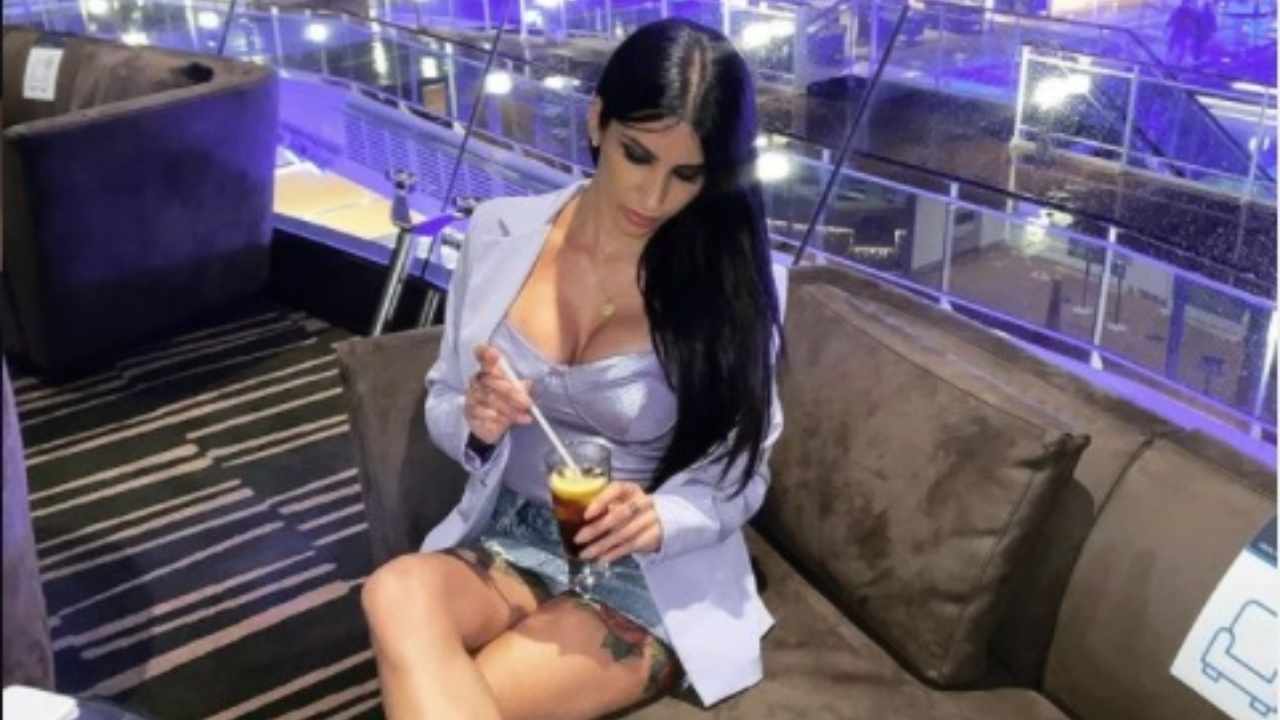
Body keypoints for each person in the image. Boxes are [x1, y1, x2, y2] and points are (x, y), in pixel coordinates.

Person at [361, 18, 787, 720]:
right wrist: (477, 419)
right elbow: (444, 397)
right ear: (597, 121)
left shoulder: (731, 285)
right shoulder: (500, 231)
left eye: (686, 175)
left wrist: (658, 518)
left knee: (466, 697)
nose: (652, 197)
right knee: (392, 591)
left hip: (643, 568)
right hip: (510, 533)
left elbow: (742, 474)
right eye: (636, 155)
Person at [1166, 0, 1200, 65]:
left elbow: (1194, 23)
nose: (1187, 4)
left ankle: (1177, 61)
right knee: (1174, 45)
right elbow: (1173, 17)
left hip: (1183, 31)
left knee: (1180, 47)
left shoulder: (1190, 11)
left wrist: (1193, 32)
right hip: (1179, 30)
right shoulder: (1181, 10)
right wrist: (1169, 24)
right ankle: (1170, 59)